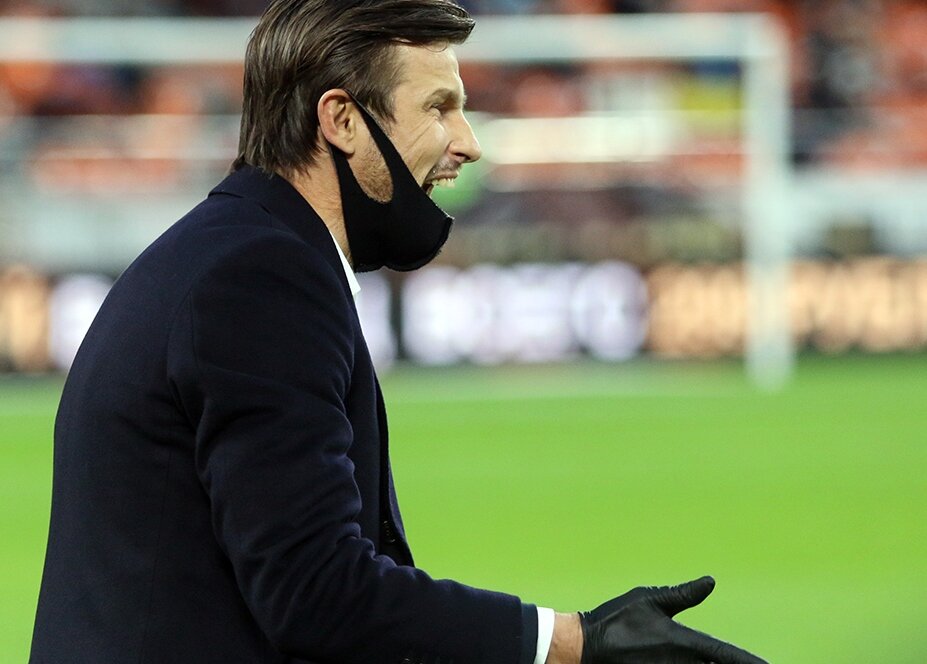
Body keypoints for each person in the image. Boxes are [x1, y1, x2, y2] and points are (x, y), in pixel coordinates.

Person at [30, 1, 768, 663]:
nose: (468, 143)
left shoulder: (233, 250)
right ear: (342, 121)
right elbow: (316, 593)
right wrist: (578, 642)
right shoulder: (260, 278)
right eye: (440, 108)